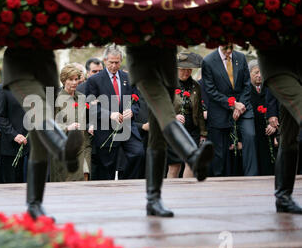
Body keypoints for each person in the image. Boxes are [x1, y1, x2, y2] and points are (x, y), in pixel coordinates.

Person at [125, 44, 214, 217]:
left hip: (167, 70)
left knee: (157, 138)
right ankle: (192, 155)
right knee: (166, 113)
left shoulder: (192, 84)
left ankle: (153, 199)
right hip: (145, 67)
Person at [2, 47, 83, 220]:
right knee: (39, 111)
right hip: (20, 67)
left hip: (46, 70)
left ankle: (34, 205)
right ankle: (62, 148)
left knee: (39, 140)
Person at [86, 45, 144, 180]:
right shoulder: (95, 80)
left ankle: (127, 182)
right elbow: (90, 105)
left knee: (138, 153)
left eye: (117, 62)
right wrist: (109, 114)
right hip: (106, 128)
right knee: (107, 166)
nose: (113, 65)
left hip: (127, 126)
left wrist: (132, 111)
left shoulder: (128, 78)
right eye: (111, 62)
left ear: (121, 61)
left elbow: (136, 101)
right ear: (105, 60)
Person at [257, 44, 302, 214]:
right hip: (277, 66)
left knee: (289, 137)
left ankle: (283, 197)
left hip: (297, 69)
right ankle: (283, 197)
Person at [202, 43, 258, 177]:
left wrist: (240, 106)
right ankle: (218, 179)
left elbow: (246, 84)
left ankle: (252, 176)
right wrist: (232, 104)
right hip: (220, 108)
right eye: (225, 49)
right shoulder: (208, 61)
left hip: (243, 107)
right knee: (219, 150)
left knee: (250, 136)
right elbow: (210, 90)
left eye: (230, 48)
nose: (228, 52)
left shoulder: (241, 57)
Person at [167, 52, 207, 179]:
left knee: (191, 163)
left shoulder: (196, 86)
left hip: (192, 128)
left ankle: (187, 193)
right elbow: (161, 107)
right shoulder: (168, 84)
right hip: (174, 129)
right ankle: (171, 194)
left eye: (189, 69)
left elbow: (199, 111)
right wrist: (173, 117)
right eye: (183, 69)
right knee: (175, 165)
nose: (187, 72)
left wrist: (203, 133)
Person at [51, 64, 91, 182]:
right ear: (63, 80)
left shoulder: (82, 97)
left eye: (76, 79)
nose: (74, 82)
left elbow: (85, 119)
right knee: (68, 183)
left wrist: (90, 125)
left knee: (85, 177)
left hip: (84, 146)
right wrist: (67, 127)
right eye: (70, 79)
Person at [0, 85, 29, 184]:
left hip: (33, 147)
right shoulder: (3, 89)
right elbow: (0, 116)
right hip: (11, 147)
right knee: (12, 187)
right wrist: (14, 135)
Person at [248, 60, 278, 176]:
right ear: (249, 73)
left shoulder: (269, 87)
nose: (259, 75)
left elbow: (275, 105)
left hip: (270, 131)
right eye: (256, 72)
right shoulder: (245, 90)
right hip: (254, 131)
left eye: (261, 72)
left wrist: (274, 125)